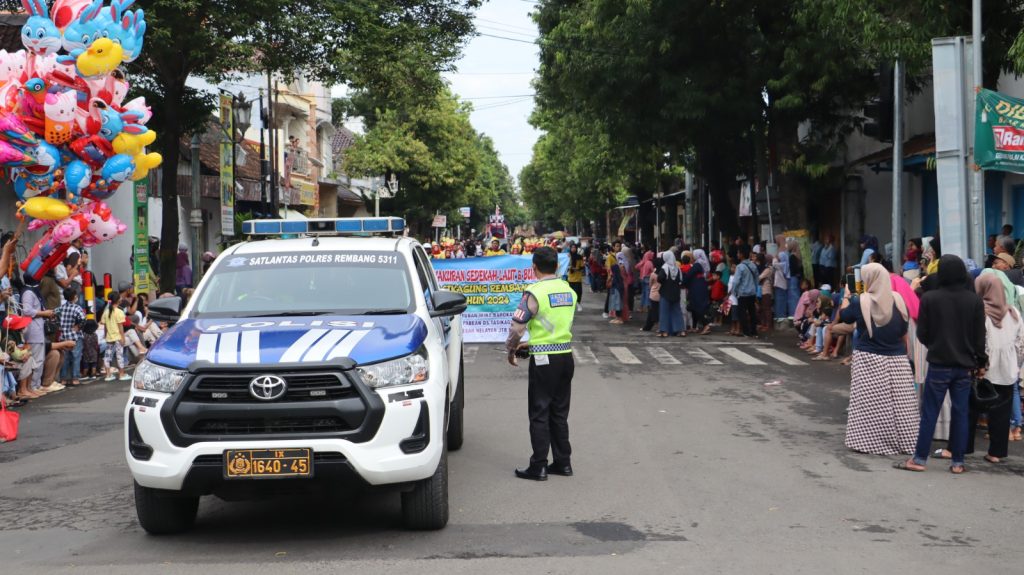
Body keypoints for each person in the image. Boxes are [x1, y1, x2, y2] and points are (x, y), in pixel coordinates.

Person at [897, 255, 987, 474]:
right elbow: (979, 337)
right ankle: (957, 462)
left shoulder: (930, 298)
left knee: (929, 412)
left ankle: (919, 459)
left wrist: (936, 345)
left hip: (938, 363)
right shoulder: (974, 300)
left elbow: (923, 334)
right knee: (961, 412)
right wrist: (980, 361)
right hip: (965, 366)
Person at [506, 246, 577, 481]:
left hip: (544, 361)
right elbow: (555, 325)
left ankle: (538, 466)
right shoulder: (568, 291)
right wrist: (532, 343)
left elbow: (517, 326)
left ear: (533, 267)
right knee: (559, 412)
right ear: (557, 266)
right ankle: (563, 462)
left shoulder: (534, 292)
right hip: (565, 356)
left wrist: (512, 348)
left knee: (539, 412)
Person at [839, 263, 918, 456]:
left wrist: (847, 296)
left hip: (869, 358)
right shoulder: (898, 299)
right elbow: (902, 330)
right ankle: (906, 442)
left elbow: (845, 317)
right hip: (898, 360)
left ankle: (871, 442)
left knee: (870, 405)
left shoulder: (861, 301)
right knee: (901, 405)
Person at [961, 272, 1024, 464]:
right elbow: (1020, 343)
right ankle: (996, 453)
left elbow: (982, 344)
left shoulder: (980, 313)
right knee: (1001, 413)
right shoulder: (1014, 313)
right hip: (1008, 370)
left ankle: (965, 447)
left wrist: (980, 366)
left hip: (986, 371)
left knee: (972, 408)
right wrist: (1016, 364)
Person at [57, 287, 85, 387]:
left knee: (65, 358)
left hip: (64, 337)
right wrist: (78, 327)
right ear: (74, 297)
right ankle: (75, 378)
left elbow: (54, 316)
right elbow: (83, 320)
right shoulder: (77, 308)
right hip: (75, 337)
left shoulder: (61, 308)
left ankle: (63, 379)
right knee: (76, 357)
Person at [100, 292, 130, 381]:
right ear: (117, 300)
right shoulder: (119, 312)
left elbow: (105, 326)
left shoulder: (106, 312)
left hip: (109, 338)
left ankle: (108, 375)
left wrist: (105, 336)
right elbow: (120, 327)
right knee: (119, 356)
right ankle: (121, 374)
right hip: (118, 337)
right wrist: (123, 338)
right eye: (120, 298)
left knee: (107, 356)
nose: (121, 299)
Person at [656, 250, 683, 337]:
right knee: (677, 311)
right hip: (676, 292)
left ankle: (664, 331)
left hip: (665, 292)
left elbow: (660, 278)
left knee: (664, 311)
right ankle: (679, 330)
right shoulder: (677, 268)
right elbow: (681, 280)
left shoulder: (665, 267)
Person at [733, 246, 759, 337]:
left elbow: (736, 281)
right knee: (752, 312)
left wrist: (734, 291)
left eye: (738, 253)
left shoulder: (740, 267)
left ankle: (746, 332)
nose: (737, 254)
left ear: (742, 255)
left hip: (742, 293)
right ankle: (754, 331)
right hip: (752, 292)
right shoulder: (753, 265)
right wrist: (755, 290)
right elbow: (756, 279)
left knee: (742, 313)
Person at [567, 242, 584, 311]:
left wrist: (577, 269)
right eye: (572, 247)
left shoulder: (579, 257)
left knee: (578, 292)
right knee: (571, 293)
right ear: (570, 248)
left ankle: (578, 304)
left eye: (574, 247)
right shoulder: (568, 257)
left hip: (578, 278)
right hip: (570, 278)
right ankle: (572, 305)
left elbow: (582, 266)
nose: (573, 249)